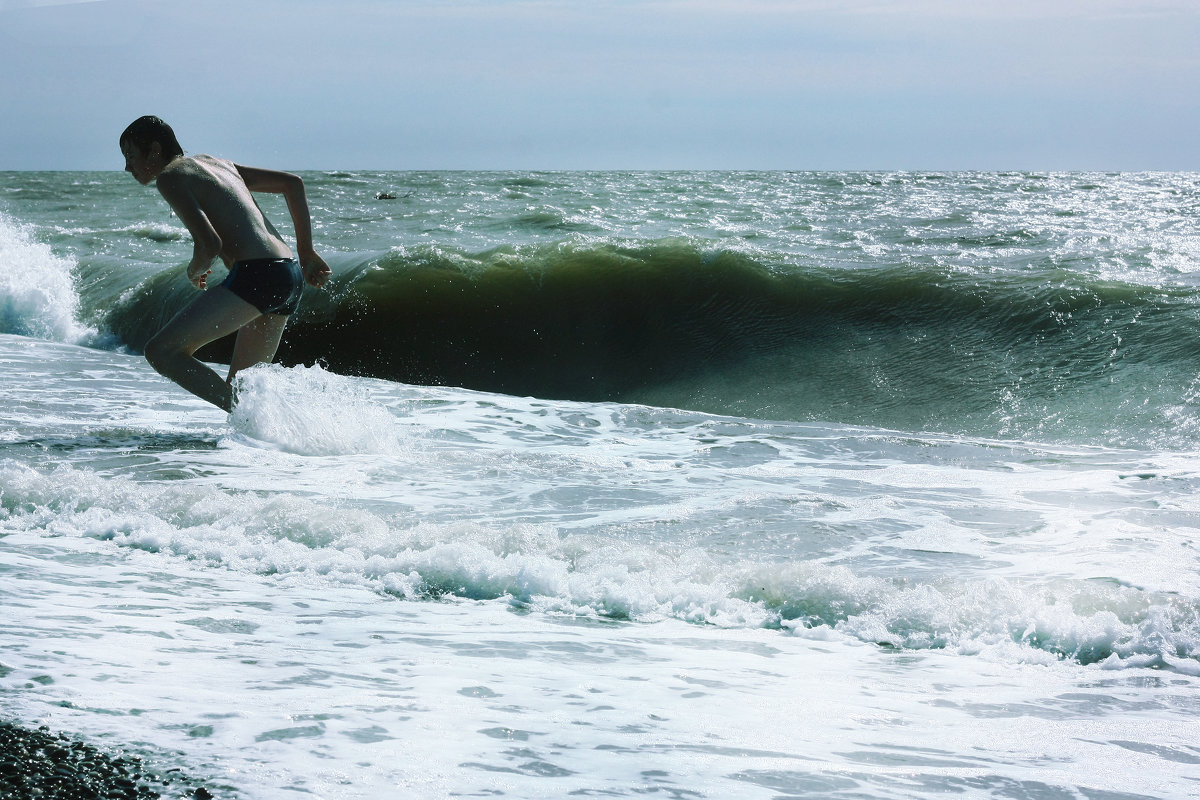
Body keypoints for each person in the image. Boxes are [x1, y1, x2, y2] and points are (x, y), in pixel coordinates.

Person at [119, 115, 331, 412]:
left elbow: (209, 243)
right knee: (245, 394)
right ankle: (272, 438)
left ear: (154, 150)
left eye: (130, 155)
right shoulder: (218, 164)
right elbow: (292, 184)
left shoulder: (170, 176)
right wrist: (306, 252)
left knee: (162, 352)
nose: (127, 166)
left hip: (258, 275)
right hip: (289, 273)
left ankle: (248, 418)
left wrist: (195, 270)